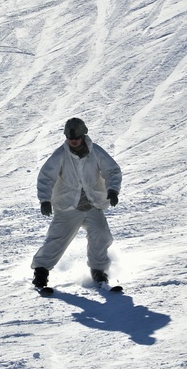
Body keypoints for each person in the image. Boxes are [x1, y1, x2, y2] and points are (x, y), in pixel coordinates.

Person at [31, 118, 123, 291]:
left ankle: (99, 272)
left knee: (101, 234)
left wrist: (112, 190)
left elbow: (112, 170)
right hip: (68, 207)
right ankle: (41, 273)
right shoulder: (61, 155)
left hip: (92, 204)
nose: (73, 141)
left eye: (77, 137)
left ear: (83, 135)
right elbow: (46, 177)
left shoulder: (96, 152)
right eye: (70, 137)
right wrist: (45, 200)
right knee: (57, 239)